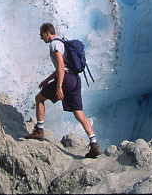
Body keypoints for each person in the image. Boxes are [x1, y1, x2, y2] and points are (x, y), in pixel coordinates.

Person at [25, 22, 102, 158]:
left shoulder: (54, 44)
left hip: (65, 80)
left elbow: (61, 66)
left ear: (47, 32)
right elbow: (62, 67)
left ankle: (39, 130)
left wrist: (59, 86)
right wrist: (47, 80)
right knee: (79, 114)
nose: (41, 38)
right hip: (75, 79)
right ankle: (94, 144)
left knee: (39, 99)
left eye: (41, 35)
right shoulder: (62, 42)